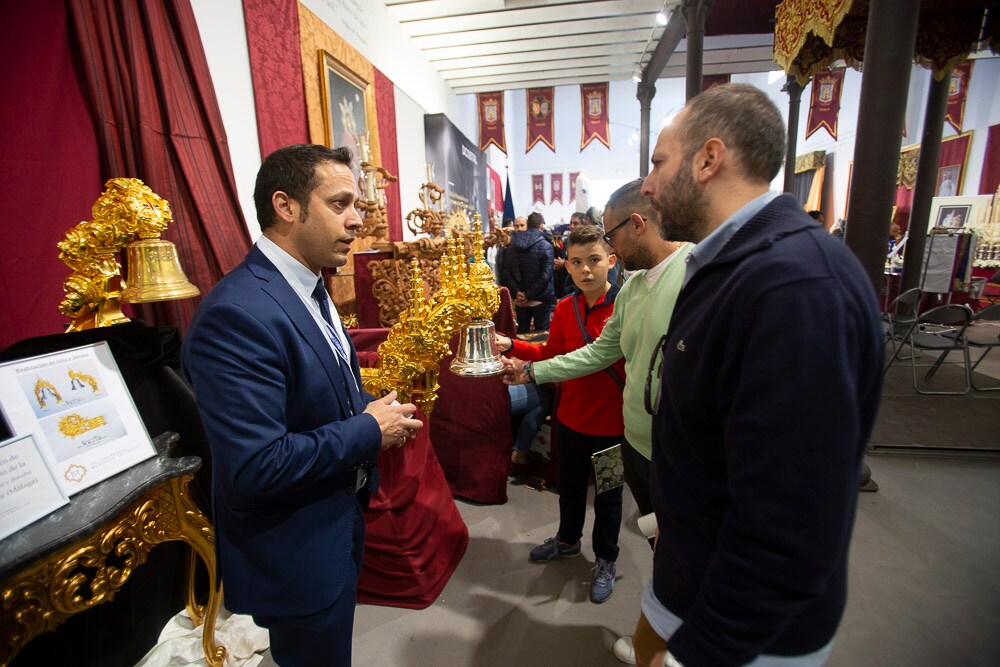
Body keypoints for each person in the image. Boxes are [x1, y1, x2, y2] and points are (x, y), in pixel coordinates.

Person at [637, 84, 883, 667]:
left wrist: (702, 654)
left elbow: (789, 524)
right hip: (693, 572)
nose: (647, 186)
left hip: (747, 635)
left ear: (707, 159)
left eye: (658, 163)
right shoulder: (735, 262)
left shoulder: (793, 287)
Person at [182, 144, 423, 667]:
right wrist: (367, 430)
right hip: (294, 545)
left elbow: (319, 390)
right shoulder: (237, 315)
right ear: (286, 207)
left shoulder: (309, 285)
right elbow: (254, 465)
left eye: (357, 205)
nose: (358, 220)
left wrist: (371, 409)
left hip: (331, 522)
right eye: (340, 205)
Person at [495, 225, 626, 604]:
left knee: (609, 497)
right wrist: (514, 345)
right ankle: (568, 539)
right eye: (577, 262)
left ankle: (605, 558)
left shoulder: (625, 307)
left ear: (611, 262)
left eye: (595, 260)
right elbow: (554, 353)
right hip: (569, 420)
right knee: (567, 488)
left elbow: (593, 361)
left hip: (612, 427)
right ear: (565, 265)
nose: (586, 270)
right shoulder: (566, 307)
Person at [503, 211, 555, 334]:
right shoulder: (546, 245)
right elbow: (546, 275)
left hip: (520, 299)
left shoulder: (512, 245)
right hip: (540, 298)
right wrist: (529, 294)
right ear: (541, 226)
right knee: (541, 337)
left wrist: (518, 293)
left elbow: (506, 272)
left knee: (521, 335)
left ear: (528, 224)